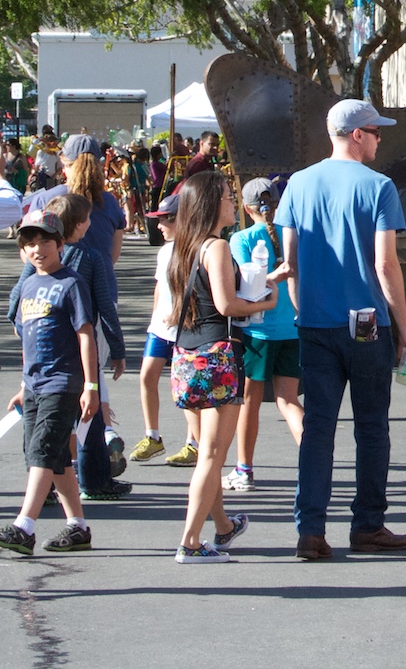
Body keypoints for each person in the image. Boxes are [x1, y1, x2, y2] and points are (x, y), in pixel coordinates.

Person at [281, 98, 406, 560]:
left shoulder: (298, 185)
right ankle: (367, 523)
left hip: (316, 322)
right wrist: (405, 329)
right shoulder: (379, 187)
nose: (380, 139)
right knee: (371, 428)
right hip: (365, 323)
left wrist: (304, 312)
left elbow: (291, 264)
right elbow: (385, 263)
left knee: (318, 428)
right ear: (357, 135)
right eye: (376, 131)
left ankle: (310, 529)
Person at [169, 171, 277, 563]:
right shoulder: (215, 247)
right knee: (214, 454)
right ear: (213, 202)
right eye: (229, 197)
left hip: (185, 354)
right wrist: (264, 303)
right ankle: (190, 541)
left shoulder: (184, 246)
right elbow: (227, 305)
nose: (234, 202)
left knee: (205, 454)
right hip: (217, 354)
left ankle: (222, 526)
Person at [0, 206, 100, 557]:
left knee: (42, 453)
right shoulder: (29, 285)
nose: (37, 249)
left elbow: (85, 334)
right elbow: (28, 341)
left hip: (62, 384)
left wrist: (91, 386)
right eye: (29, 243)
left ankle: (24, 526)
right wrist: (22, 385)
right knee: (58, 457)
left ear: (60, 244)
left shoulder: (71, 283)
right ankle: (78, 526)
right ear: (22, 250)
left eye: (45, 241)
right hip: (34, 385)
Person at [60, 139, 132, 497]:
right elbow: (114, 255)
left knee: (60, 393)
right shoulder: (111, 204)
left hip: (56, 306)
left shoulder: (55, 199)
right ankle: (94, 473)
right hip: (98, 301)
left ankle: (59, 475)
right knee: (93, 383)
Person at [228, 177, 303, 494]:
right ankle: (316, 461)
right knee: (289, 400)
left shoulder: (241, 239)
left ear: (246, 208)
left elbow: (250, 287)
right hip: (293, 328)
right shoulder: (294, 236)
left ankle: (244, 470)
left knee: (249, 403)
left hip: (257, 332)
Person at [130, 186, 200, 468]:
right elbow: (160, 287)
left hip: (187, 329)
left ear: (181, 220)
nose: (158, 226)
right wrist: (154, 319)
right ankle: (153, 436)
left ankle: (193, 444)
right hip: (160, 328)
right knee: (147, 375)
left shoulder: (197, 249)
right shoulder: (164, 253)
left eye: (164, 220)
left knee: (186, 388)